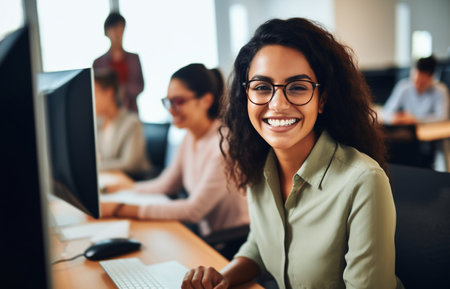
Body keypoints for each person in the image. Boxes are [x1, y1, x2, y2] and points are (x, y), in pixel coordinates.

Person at [182, 18, 404, 289]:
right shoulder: (258, 166)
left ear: (322, 99)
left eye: (297, 87)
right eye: (262, 87)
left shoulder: (363, 181)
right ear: (246, 96)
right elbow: (260, 245)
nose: (277, 104)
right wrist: (223, 277)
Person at [100, 63, 249, 239]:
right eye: (168, 102)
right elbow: (165, 185)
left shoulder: (223, 145)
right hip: (204, 233)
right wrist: (126, 188)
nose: (171, 110)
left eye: (179, 101)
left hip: (231, 240)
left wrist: (119, 208)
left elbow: (193, 210)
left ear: (206, 101)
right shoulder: (190, 137)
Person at [94, 69, 150, 179]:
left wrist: (95, 166)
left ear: (109, 93)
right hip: (110, 178)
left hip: (134, 180)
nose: (91, 99)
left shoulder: (131, 122)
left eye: (94, 93)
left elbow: (129, 164)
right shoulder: (97, 123)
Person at [93, 12, 144, 113]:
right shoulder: (98, 63)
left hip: (131, 111)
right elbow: (96, 90)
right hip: (108, 113)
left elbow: (140, 85)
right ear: (106, 32)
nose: (118, 32)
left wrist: (123, 90)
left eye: (121, 28)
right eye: (114, 28)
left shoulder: (134, 58)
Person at [382, 55, 449, 124]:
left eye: (422, 82)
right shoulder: (403, 87)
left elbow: (443, 117)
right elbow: (386, 112)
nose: (417, 85)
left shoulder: (441, 90)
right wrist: (394, 118)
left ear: (431, 78)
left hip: (430, 131)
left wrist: (415, 119)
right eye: (415, 81)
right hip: (407, 130)